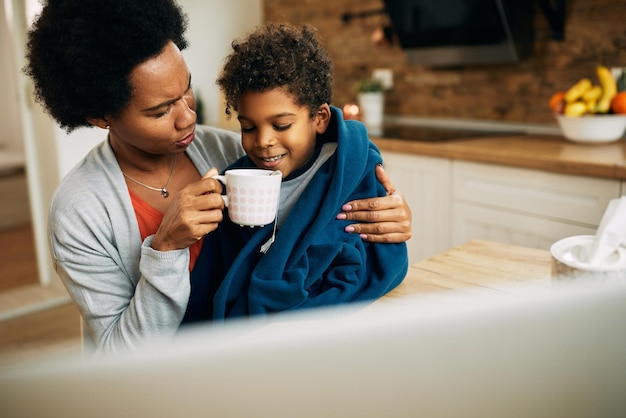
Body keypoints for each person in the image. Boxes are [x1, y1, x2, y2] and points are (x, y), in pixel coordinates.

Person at [24, 0, 411, 353]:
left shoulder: (233, 153)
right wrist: (166, 248)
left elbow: (308, 204)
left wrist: (386, 215)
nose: (188, 116)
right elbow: (119, 355)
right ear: (100, 116)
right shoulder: (79, 212)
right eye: (161, 111)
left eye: (187, 90)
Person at [185, 23, 407, 321]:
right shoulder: (236, 180)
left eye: (281, 125)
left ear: (319, 118)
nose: (263, 141)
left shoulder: (351, 167)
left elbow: (380, 255)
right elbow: (217, 272)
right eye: (248, 127)